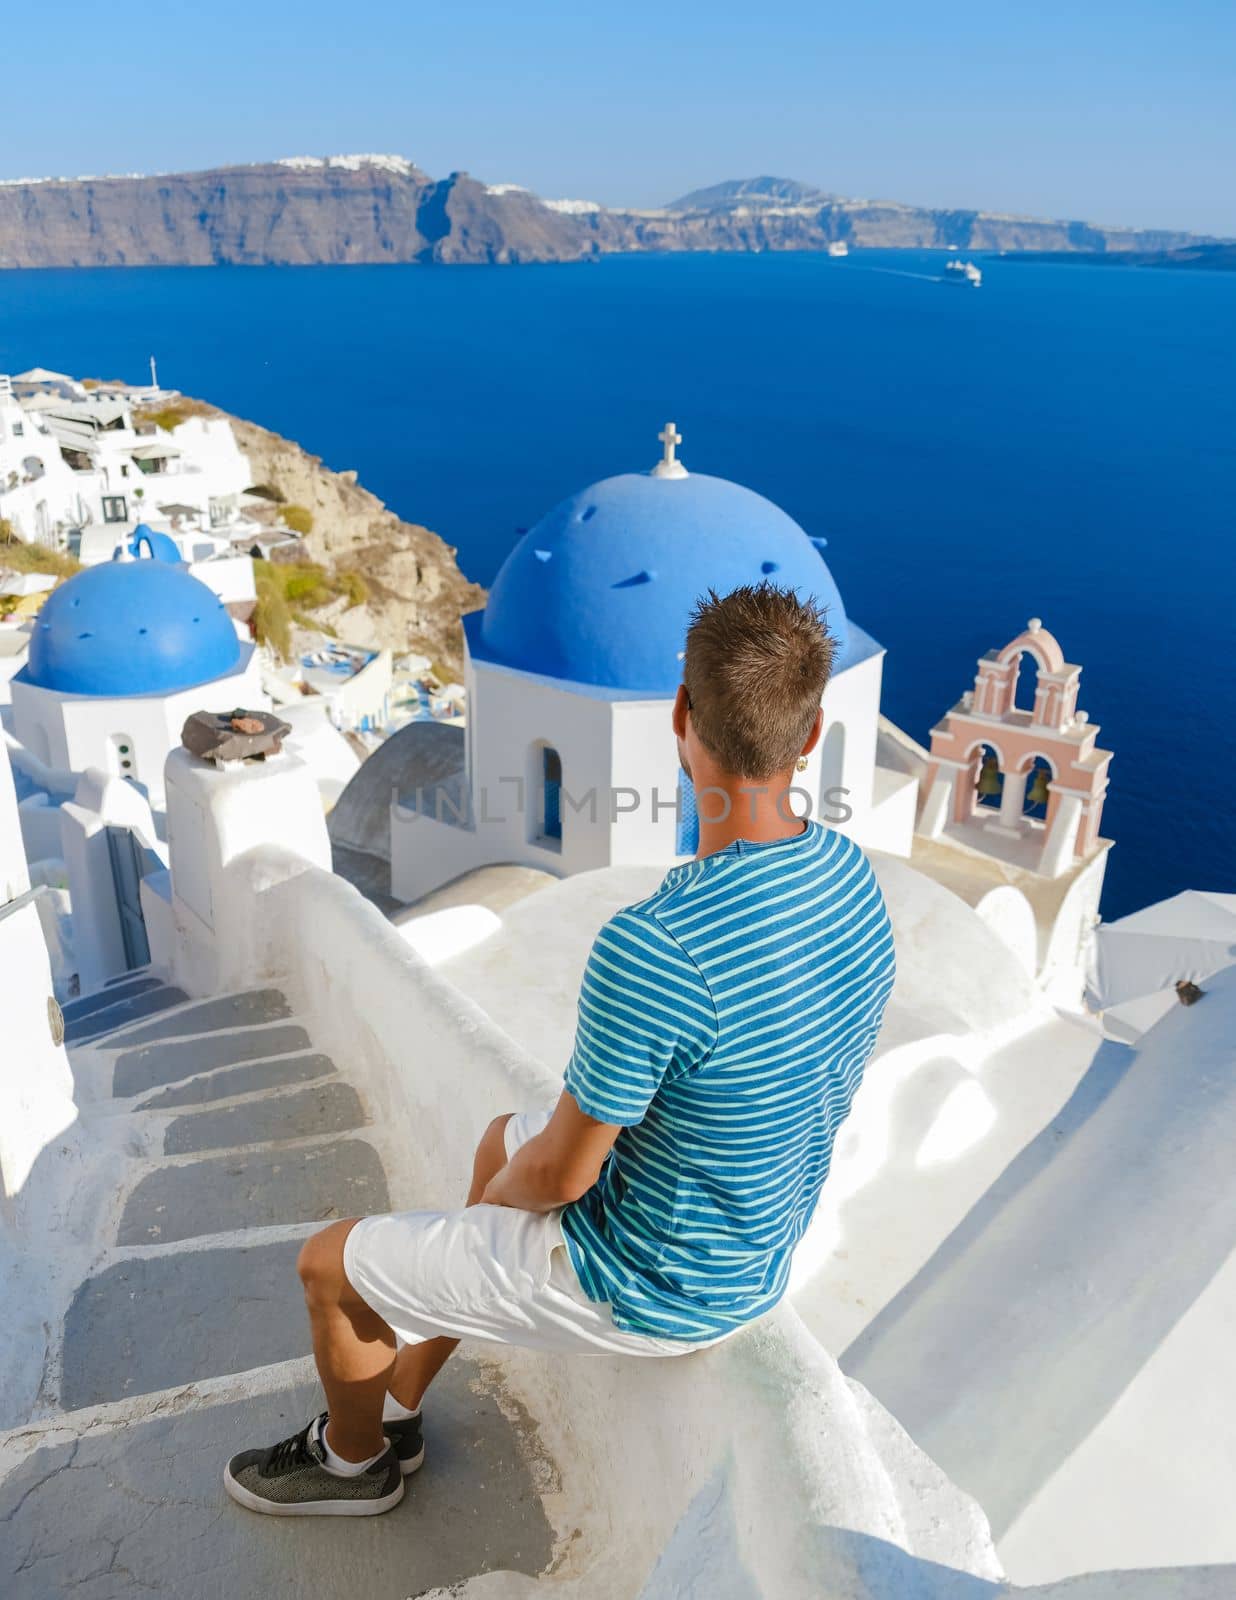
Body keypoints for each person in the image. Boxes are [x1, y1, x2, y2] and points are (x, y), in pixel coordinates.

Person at [223, 583, 897, 1516]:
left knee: (328, 1267)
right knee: (502, 1135)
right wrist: (512, 1178)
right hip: (754, 1245)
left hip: (651, 1286)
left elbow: (564, 1181)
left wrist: (506, 1203)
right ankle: (408, 1400)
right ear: (812, 732)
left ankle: (353, 1462)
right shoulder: (852, 878)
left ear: (679, 717)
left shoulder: (659, 942)